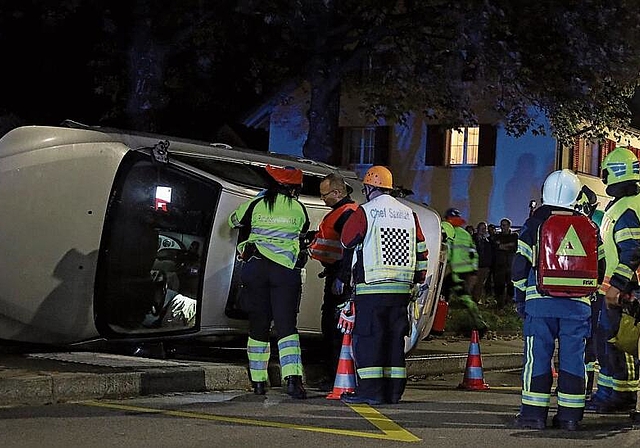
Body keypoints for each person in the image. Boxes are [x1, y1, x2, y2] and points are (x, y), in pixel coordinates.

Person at [512, 169, 604, 431]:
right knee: (574, 360)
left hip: (540, 304)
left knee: (537, 358)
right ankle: (570, 418)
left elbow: (520, 266)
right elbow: (600, 266)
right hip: (577, 307)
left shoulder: (534, 225)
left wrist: (521, 297)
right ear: (576, 196)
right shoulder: (589, 227)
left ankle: (532, 416)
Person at [337, 165, 428, 405]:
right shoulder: (409, 214)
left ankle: (371, 392)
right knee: (394, 341)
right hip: (401, 291)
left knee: (370, 341)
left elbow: (347, 240)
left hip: (372, 289)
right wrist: (417, 280)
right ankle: (393, 392)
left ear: (368, 188)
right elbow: (421, 250)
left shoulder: (366, 212)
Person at [228, 164, 310, 399]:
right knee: (286, 327)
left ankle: (259, 383)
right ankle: (293, 381)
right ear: (292, 189)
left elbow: (233, 221)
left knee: (258, 325)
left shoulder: (256, 204)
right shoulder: (298, 208)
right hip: (285, 272)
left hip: (256, 268)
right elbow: (303, 229)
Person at [587, 146, 640, 415]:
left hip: (626, 290)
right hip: (621, 287)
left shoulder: (627, 207)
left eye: (605, 171)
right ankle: (612, 393)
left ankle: (619, 395)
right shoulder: (623, 205)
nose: (603, 177)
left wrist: (616, 286)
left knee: (619, 343)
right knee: (613, 342)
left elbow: (632, 249)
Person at [308, 172, 358, 389]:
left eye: (325, 194)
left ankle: (334, 377)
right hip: (338, 274)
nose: (322, 199)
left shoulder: (346, 214)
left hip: (340, 278)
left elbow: (349, 248)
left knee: (334, 328)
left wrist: (341, 277)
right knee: (336, 327)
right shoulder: (344, 212)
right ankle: (338, 375)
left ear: (337, 192)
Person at [441, 208, 488, 336]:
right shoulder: (465, 234)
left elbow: (446, 253)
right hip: (466, 272)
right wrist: (473, 272)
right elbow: (474, 254)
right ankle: (479, 325)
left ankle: (438, 326)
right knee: (464, 299)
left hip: (455, 272)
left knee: (443, 297)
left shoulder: (449, 232)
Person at [493, 217, 518, 309]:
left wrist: (502, 246)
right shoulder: (497, 236)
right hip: (500, 264)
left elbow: (514, 246)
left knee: (510, 284)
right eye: (501, 225)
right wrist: (507, 245)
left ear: (509, 226)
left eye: (504, 225)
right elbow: (497, 246)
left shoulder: (514, 236)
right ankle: (500, 303)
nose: (502, 227)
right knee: (500, 284)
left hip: (511, 264)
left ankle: (509, 302)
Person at [472, 221, 494, 305]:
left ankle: (477, 300)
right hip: (475, 265)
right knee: (474, 283)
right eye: (482, 228)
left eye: (485, 228)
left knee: (480, 284)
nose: (483, 230)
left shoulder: (487, 241)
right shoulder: (473, 239)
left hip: (484, 265)